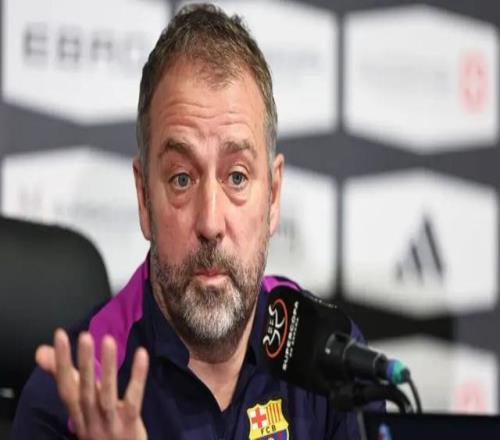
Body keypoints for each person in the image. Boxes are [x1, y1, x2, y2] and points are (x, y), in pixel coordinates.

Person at [12, 4, 383, 439]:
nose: (210, 222)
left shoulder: (330, 358)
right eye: (182, 179)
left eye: (237, 177)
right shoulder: (71, 397)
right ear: (144, 199)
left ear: (273, 196)